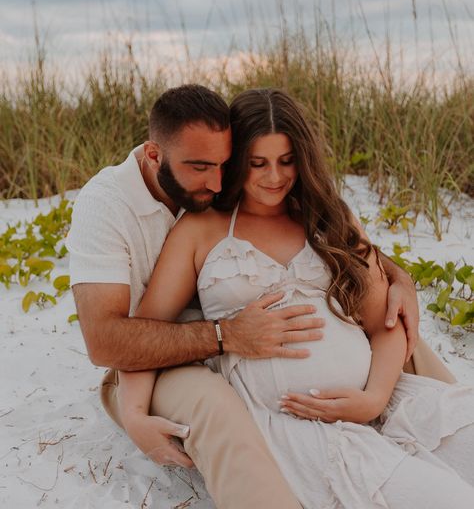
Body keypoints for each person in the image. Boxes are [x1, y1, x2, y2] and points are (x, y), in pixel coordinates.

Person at [118, 88, 474, 509]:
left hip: (382, 402)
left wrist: (373, 398)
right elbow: (149, 329)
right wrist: (134, 414)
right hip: (297, 425)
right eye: (258, 163)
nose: (275, 177)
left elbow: (385, 322)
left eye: (286, 161)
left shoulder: (327, 216)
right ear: (236, 162)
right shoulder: (202, 229)